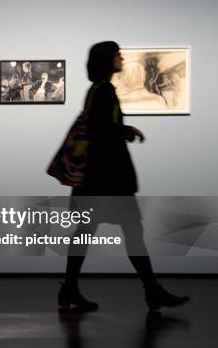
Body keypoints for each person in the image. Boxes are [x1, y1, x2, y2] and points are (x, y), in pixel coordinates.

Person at [59, 41, 189, 311]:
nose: (122, 57)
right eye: (118, 54)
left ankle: (69, 290)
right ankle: (152, 291)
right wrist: (127, 131)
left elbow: (101, 127)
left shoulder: (97, 90)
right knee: (129, 232)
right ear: (108, 60)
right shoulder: (104, 91)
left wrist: (124, 129)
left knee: (87, 233)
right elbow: (103, 130)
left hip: (97, 181)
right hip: (107, 181)